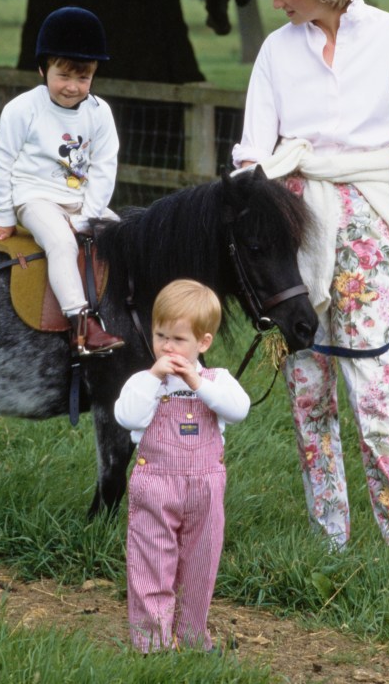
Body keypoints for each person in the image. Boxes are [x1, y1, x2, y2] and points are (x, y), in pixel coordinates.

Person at [232, 0, 389, 572]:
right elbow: (250, 156)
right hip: (295, 228)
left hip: (370, 227)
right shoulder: (275, 50)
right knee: (306, 386)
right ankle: (329, 536)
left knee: (372, 387)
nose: (275, 0)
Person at [0, 6, 124, 356]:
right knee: (61, 243)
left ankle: (128, 312)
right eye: (63, 76)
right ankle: (81, 322)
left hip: (80, 199)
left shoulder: (99, 113)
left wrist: (89, 215)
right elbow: (1, 160)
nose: (73, 87)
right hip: (35, 197)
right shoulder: (23, 109)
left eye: (84, 78)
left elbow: (105, 166)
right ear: (44, 69)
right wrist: (4, 216)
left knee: (125, 238)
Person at [114, 279, 250, 652]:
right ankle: (152, 643)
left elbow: (239, 410)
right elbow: (127, 417)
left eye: (178, 339)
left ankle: (192, 638)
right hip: (155, 484)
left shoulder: (215, 380)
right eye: (160, 336)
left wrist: (195, 381)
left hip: (205, 488)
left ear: (203, 343)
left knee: (200, 565)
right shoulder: (145, 382)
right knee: (151, 562)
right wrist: (156, 377)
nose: (167, 347)